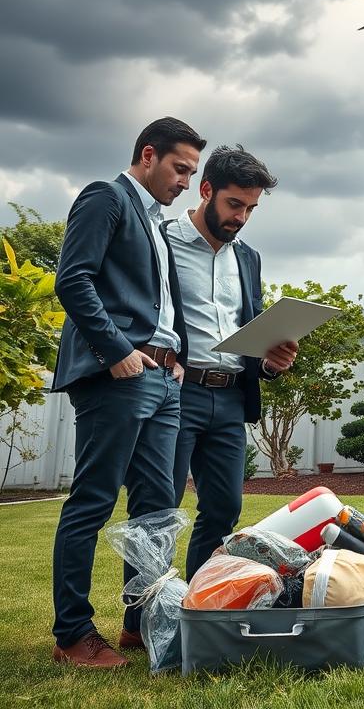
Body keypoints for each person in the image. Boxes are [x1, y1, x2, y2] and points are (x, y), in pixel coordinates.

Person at [51, 117, 206, 668]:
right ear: (148, 155)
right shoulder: (106, 198)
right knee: (93, 501)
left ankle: (142, 624)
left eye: (192, 172)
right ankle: (72, 633)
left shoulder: (157, 222)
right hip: (119, 374)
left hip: (164, 379)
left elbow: (161, 302)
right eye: (180, 168)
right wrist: (116, 350)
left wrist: (179, 355)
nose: (186, 181)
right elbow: (73, 279)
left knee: (157, 509)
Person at [164, 145, 297, 584]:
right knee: (160, 508)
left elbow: (248, 335)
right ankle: (138, 623)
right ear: (206, 190)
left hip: (231, 398)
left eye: (251, 208)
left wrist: (271, 362)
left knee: (224, 508)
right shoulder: (162, 242)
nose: (241, 217)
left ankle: (203, 605)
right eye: (234, 204)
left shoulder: (247, 257)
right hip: (177, 391)